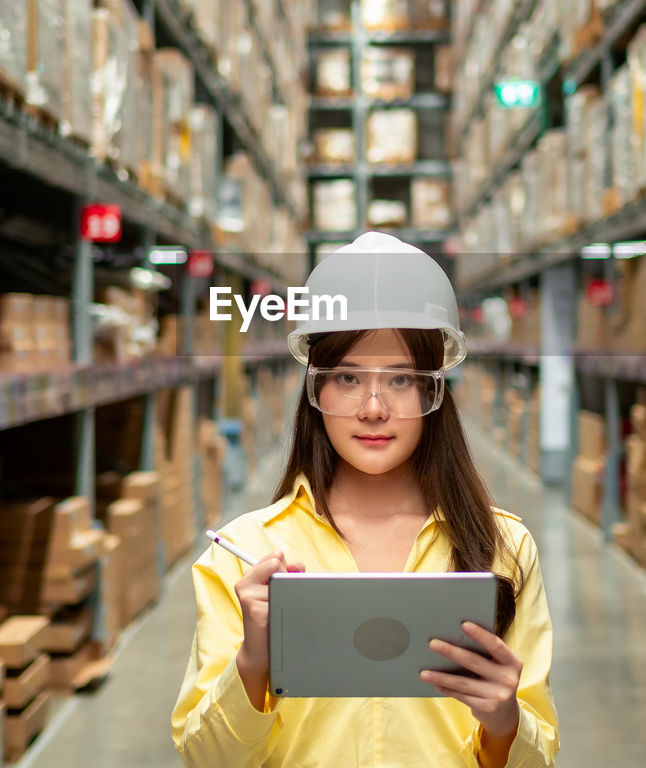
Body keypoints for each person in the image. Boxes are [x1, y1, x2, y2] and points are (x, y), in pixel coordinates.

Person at [171, 232, 559, 768]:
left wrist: (506, 725)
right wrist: (252, 664)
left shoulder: (503, 548)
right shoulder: (246, 553)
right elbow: (205, 760)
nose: (373, 408)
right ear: (316, 388)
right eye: (349, 377)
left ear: (433, 391)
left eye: (400, 378)